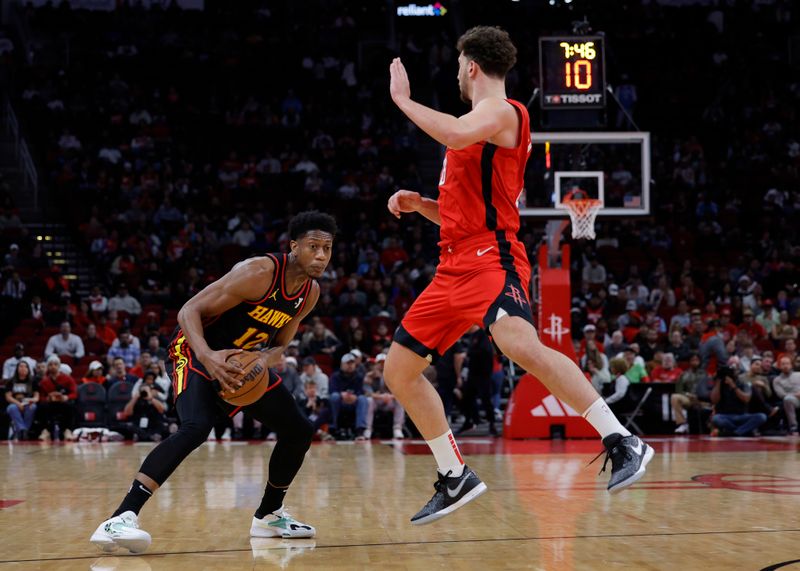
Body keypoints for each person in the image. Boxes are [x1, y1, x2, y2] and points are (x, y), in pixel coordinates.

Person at [385, 26, 652, 525]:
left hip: (492, 258)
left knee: (521, 346)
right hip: (453, 265)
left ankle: (622, 438)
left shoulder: (503, 113)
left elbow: (455, 132)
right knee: (398, 371)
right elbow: (460, 213)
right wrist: (423, 204)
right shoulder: (474, 129)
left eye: (459, 67)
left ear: (470, 67)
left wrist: (403, 99)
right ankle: (454, 474)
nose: (458, 76)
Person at [90, 211, 336, 553]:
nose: (321, 256)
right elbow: (188, 311)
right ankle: (120, 517)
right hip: (195, 349)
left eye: (327, 248)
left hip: (240, 364)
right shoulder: (258, 273)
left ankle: (268, 515)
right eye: (314, 247)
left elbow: (280, 345)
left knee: (299, 430)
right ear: (294, 247)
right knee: (196, 427)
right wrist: (207, 356)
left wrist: (262, 360)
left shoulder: (309, 293)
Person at [710, 366, 766, 437]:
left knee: (762, 416)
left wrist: (733, 386)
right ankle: (743, 432)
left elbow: (746, 399)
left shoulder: (743, 384)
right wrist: (718, 381)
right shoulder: (720, 385)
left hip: (742, 415)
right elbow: (714, 400)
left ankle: (733, 433)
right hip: (725, 416)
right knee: (716, 418)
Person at [4, 360, 39, 440]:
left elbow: (37, 397)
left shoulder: (33, 381)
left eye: (25, 366)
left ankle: (23, 431)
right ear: (17, 369)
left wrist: (30, 400)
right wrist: (18, 404)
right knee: (11, 408)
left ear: (28, 369)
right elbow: (8, 397)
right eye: (21, 366)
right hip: (15, 403)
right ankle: (22, 430)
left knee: (32, 407)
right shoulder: (11, 381)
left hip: (28, 402)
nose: (23, 368)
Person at [772, 356, 800, 434]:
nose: (785, 366)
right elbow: (781, 394)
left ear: (791, 365)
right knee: (787, 399)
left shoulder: (799, 374)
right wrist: (796, 394)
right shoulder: (777, 380)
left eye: (787, 364)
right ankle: (793, 426)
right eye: (783, 364)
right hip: (794, 400)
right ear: (779, 366)